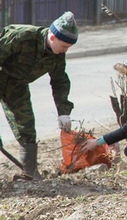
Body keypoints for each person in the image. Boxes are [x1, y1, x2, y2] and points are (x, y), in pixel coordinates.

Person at [0, 11, 78, 180]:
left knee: (26, 125)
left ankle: (29, 172)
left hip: (16, 84)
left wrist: (63, 111)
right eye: (64, 46)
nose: (65, 50)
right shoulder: (22, 36)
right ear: (52, 37)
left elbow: (59, 81)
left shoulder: (57, 55)